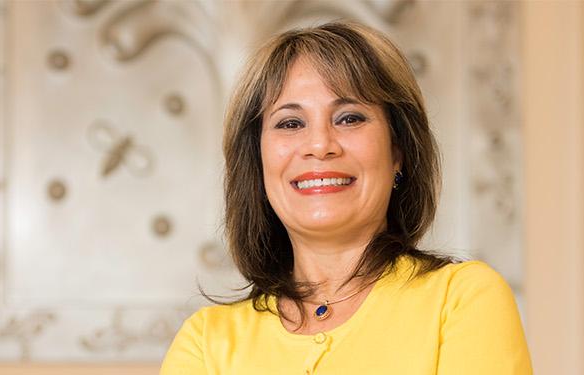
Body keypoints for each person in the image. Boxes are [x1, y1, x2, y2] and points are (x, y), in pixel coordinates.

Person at [160, 21, 531, 374]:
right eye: (290, 123)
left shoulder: (463, 300)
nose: (320, 145)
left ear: (397, 152)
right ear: (257, 162)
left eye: (350, 118)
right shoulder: (206, 343)